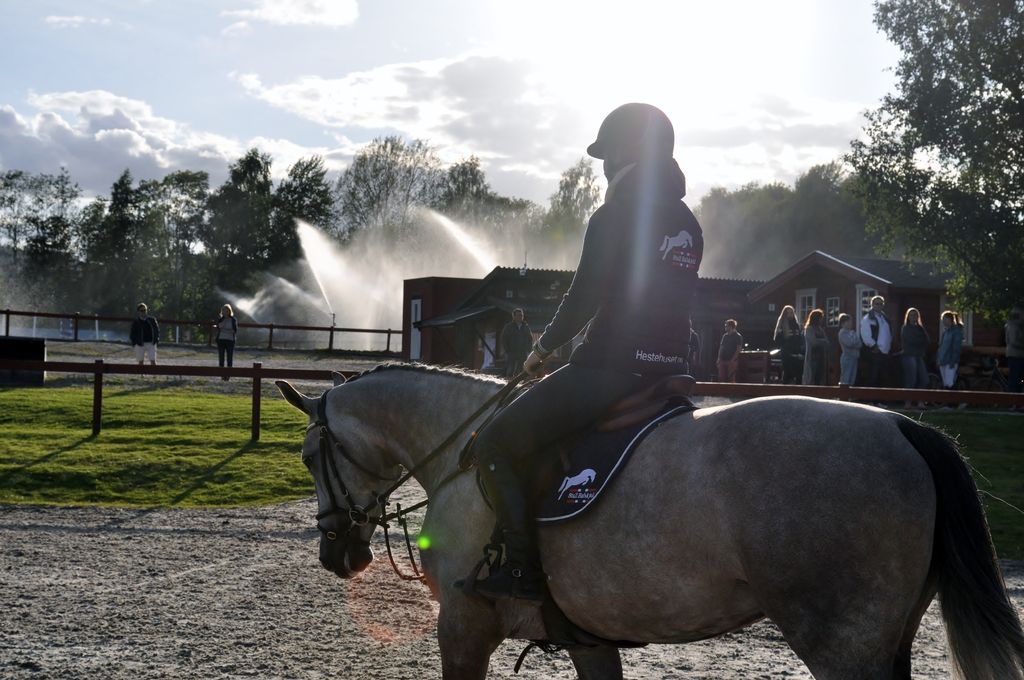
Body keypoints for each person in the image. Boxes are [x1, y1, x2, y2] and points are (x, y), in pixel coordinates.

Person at [463, 103, 703, 602]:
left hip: (610, 367)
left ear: (628, 151)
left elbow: (584, 296)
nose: (604, 166)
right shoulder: (688, 223)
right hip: (671, 370)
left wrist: (542, 349)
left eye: (607, 154)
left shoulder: (616, 213)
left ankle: (523, 572)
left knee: (495, 445)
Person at [900, 307, 930, 407]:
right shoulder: (905, 328)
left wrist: (920, 342)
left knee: (924, 379)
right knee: (911, 379)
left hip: (919, 356)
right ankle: (907, 402)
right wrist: (920, 341)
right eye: (911, 315)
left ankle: (920, 401)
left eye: (915, 315)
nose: (913, 317)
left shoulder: (920, 328)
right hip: (909, 355)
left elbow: (927, 341)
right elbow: (911, 341)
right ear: (908, 317)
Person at [860, 295, 892, 386]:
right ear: (872, 305)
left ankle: (882, 399)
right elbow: (865, 335)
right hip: (874, 352)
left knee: (884, 378)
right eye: (877, 304)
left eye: (881, 304)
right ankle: (868, 399)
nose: (879, 305)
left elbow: (888, 333)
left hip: (885, 352)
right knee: (872, 377)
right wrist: (874, 346)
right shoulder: (867, 318)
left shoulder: (885, 318)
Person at [773, 305, 804, 384]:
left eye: (792, 312)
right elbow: (777, 340)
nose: (790, 314)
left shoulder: (796, 325)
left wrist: (800, 351)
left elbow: (799, 338)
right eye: (788, 313)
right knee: (788, 373)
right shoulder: (782, 325)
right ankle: (785, 391)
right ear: (785, 314)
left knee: (799, 373)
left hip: (797, 352)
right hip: (787, 353)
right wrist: (786, 346)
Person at [499, 308, 533, 378]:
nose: (520, 317)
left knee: (521, 370)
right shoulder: (509, 327)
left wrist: (528, 350)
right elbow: (503, 339)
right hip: (512, 352)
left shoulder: (525, 326)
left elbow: (530, 339)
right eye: (518, 315)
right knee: (510, 369)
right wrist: (507, 350)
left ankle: (518, 385)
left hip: (522, 352)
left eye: (521, 315)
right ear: (513, 316)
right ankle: (508, 384)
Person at [801, 309, 830, 386]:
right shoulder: (809, 329)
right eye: (820, 318)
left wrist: (821, 340)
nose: (821, 320)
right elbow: (813, 342)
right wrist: (822, 341)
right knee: (811, 377)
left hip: (821, 357)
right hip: (812, 357)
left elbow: (827, 342)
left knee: (819, 376)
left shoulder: (820, 329)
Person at [936, 311, 963, 389]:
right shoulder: (945, 332)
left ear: (951, 320)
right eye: (943, 319)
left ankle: (954, 400)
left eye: (946, 319)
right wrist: (938, 359)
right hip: (943, 361)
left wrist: (953, 361)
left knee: (949, 383)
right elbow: (941, 347)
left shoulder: (956, 331)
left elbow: (956, 348)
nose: (944, 321)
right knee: (945, 384)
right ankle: (948, 400)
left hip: (950, 361)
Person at [837, 313, 861, 386]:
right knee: (845, 379)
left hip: (854, 357)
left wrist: (855, 342)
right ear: (844, 323)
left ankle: (849, 396)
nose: (851, 323)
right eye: (849, 321)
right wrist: (855, 341)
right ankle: (843, 396)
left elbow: (860, 344)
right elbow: (849, 343)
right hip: (847, 358)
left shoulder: (852, 332)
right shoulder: (842, 333)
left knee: (852, 379)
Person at [215, 304, 238, 380]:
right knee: (221, 358)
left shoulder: (233, 320)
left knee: (229, 358)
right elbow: (219, 327)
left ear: (229, 311)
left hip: (230, 341)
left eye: (227, 311)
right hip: (221, 340)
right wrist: (224, 321)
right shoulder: (221, 319)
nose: (225, 312)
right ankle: (222, 374)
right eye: (224, 311)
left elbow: (234, 331)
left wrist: (226, 330)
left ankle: (228, 375)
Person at [1006, 305, 1024, 394]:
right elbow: (1013, 342)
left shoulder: (1018, 326)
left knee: (1018, 379)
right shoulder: (1013, 326)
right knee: (1015, 379)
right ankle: (1012, 403)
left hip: (1018, 355)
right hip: (1015, 356)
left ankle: (1016, 402)